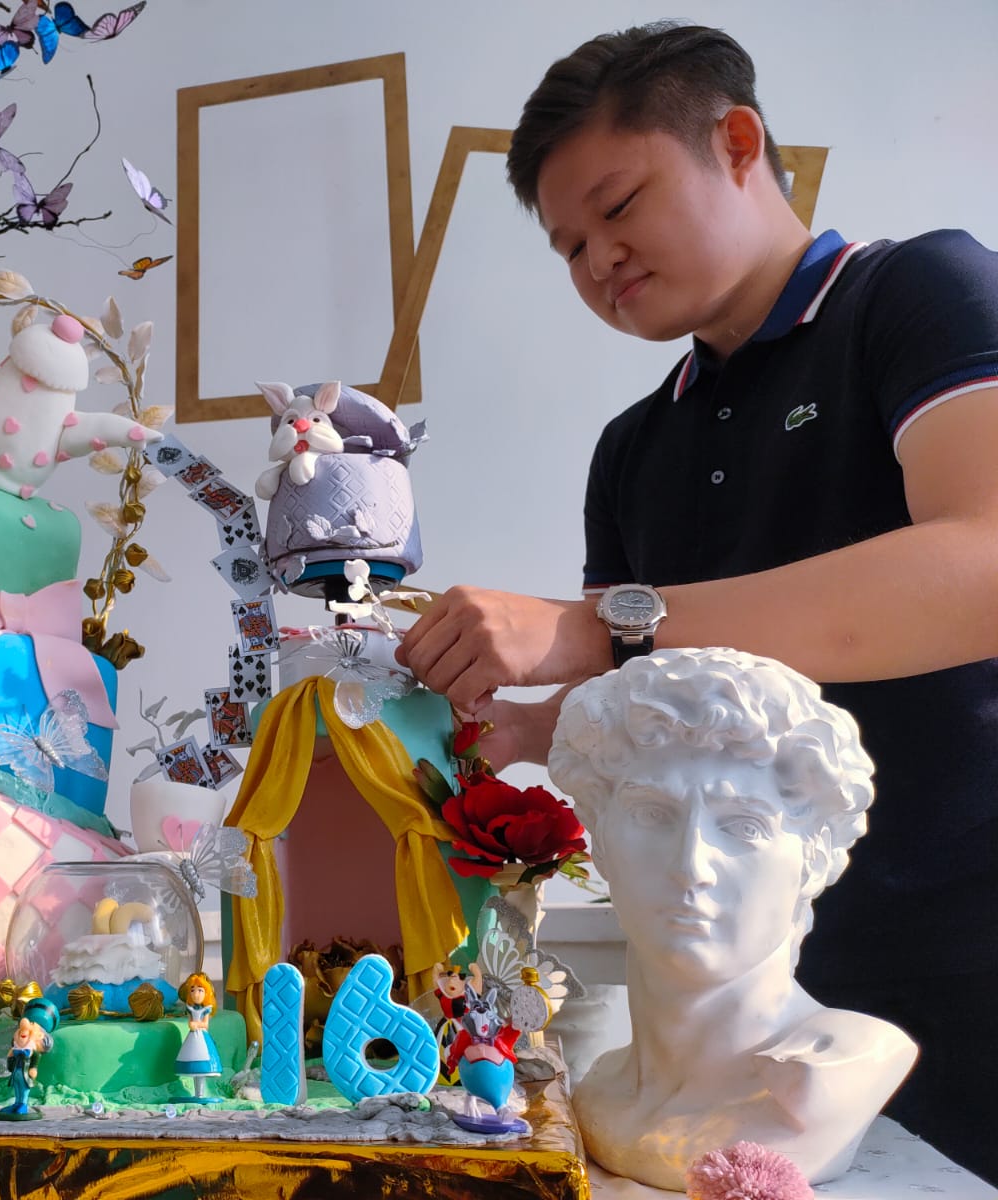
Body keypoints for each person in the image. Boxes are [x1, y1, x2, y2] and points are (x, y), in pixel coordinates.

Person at [396, 22, 998, 1177]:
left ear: (735, 143)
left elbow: (982, 566)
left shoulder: (920, 293)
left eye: (617, 206)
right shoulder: (633, 447)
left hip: (968, 946)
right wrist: (509, 734)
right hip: (745, 988)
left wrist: (590, 628)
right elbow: (642, 705)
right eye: (569, 246)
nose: (598, 261)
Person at [548, 648, 915, 1187]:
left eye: (744, 826)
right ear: (599, 840)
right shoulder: (600, 1084)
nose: (690, 867)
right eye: (652, 814)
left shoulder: (833, 1072)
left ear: (815, 857)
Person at [173, 971, 223, 1102]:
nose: (196, 993)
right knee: (192, 1066)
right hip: (192, 1038)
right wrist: (191, 1024)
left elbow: (205, 1024)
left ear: (206, 993)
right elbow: (190, 1021)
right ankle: (197, 1094)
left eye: (200, 990)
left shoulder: (206, 1009)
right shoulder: (190, 1009)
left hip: (201, 1038)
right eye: (193, 990)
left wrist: (196, 1024)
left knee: (202, 1063)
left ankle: (200, 1094)